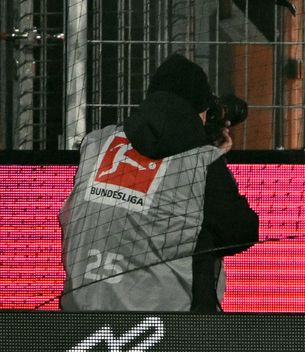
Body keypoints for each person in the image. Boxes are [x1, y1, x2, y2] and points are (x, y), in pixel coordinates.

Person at [59, 55, 259, 312]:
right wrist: (213, 157)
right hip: (163, 324)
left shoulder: (96, 142)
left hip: (79, 313)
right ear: (198, 111)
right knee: (203, 233)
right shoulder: (200, 161)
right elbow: (241, 232)